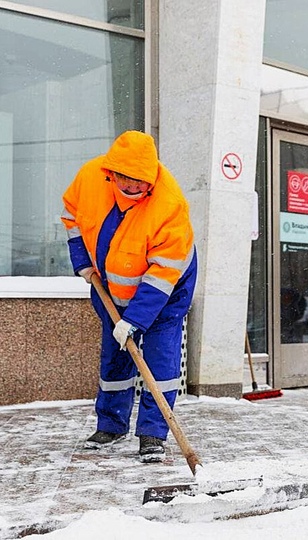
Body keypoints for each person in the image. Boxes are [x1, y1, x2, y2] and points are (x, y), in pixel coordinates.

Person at [61, 130, 197, 463]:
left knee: (159, 361)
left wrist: (135, 319)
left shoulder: (169, 205)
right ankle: (111, 425)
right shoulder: (90, 178)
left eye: (141, 181)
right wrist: (82, 261)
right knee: (114, 357)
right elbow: (71, 217)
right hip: (110, 289)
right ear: (113, 173)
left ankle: (152, 434)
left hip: (165, 291)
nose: (134, 187)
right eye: (127, 179)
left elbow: (163, 274)